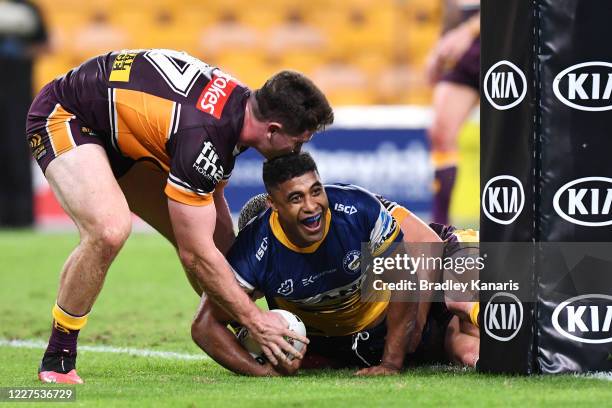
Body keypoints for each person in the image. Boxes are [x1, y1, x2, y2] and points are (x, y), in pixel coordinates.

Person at [26, 48, 334, 384]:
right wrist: (254, 319)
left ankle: (258, 340)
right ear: (273, 130)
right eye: (298, 142)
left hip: (125, 133)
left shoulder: (241, 113)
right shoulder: (204, 134)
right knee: (109, 229)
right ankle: (58, 355)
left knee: (225, 250)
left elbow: (212, 236)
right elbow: (195, 254)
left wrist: (243, 303)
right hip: (67, 114)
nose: (298, 152)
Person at [191, 152, 479, 376]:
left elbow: (427, 244)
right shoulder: (267, 273)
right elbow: (213, 319)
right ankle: (511, 351)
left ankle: (511, 315)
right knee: (463, 350)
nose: (309, 206)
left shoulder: (354, 209)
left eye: (314, 192)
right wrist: (262, 364)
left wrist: (417, 323)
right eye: (294, 199)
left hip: (447, 252)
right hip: (393, 305)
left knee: (460, 298)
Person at [426, 0, 480, 224]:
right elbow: (452, 14)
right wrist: (439, 50)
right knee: (442, 133)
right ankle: (441, 223)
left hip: (504, 36)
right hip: (465, 47)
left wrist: (469, 30)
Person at [0, 0, 48, 227]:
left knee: (19, 155)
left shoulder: (29, 10)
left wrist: (22, 51)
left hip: (20, 95)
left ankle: (22, 217)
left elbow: (46, 45)